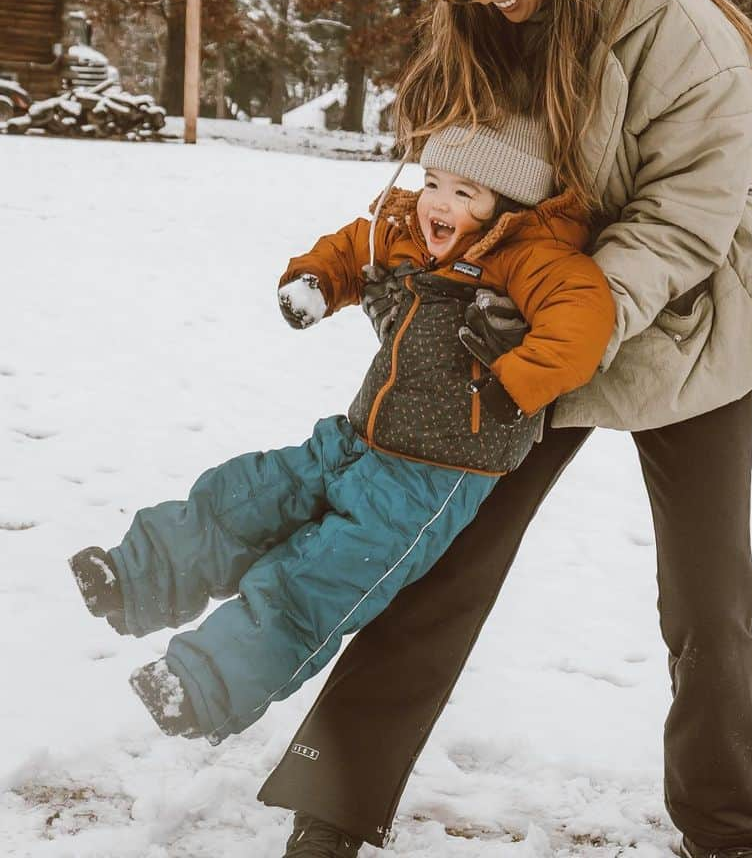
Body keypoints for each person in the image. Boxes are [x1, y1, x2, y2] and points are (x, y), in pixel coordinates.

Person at [258, 0, 752, 858]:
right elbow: (451, 180)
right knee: (438, 551)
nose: (497, 2)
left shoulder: (685, 33)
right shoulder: (472, 15)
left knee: (707, 598)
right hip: (509, 321)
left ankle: (729, 831)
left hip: (681, 327)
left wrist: (575, 323)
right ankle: (330, 812)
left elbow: (684, 220)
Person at [67, 113, 615, 746]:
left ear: (506, 209)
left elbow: (583, 319)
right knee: (245, 493)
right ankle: (135, 577)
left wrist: (513, 382)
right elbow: (356, 245)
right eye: (433, 181)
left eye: (464, 193)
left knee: (316, 578)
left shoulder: (532, 259)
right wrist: (317, 282)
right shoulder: (409, 230)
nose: (438, 202)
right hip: (355, 438)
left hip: (428, 481)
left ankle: (202, 686)